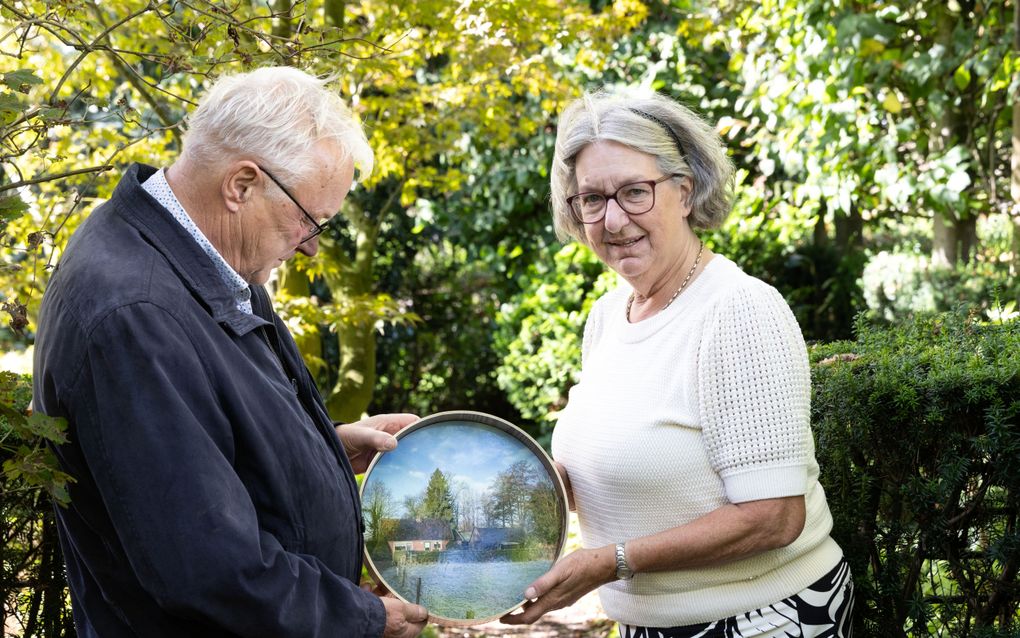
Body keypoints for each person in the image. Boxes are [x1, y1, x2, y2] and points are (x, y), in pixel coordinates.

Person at [32, 66, 427, 638]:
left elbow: (186, 455)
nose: (312, 247)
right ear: (241, 185)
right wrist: (359, 618)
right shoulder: (136, 312)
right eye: (311, 219)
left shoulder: (192, 254)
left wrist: (325, 450)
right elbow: (205, 567)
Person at [501, 90, 854, 637]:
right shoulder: (608, 316)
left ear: (685, 191)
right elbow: (617, 462)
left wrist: (610, 561)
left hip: (761, 619)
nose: (613, 220)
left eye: (635, 193)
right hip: (649, 624)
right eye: (591, 199)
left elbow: (775, 517)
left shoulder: (737, 310)